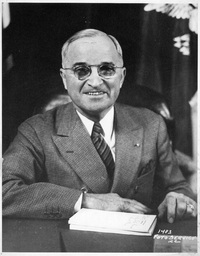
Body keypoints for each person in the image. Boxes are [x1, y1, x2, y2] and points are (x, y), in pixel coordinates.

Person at [2, 29, 197, 223]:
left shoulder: (152, 124)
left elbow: (179, 188)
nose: (95, 82)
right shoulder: (36, 130)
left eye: (107, 69)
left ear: (121, 77)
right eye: (81, 70)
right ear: (64, 78)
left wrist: (178, 200)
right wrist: (85, 201)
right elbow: (4, 190)